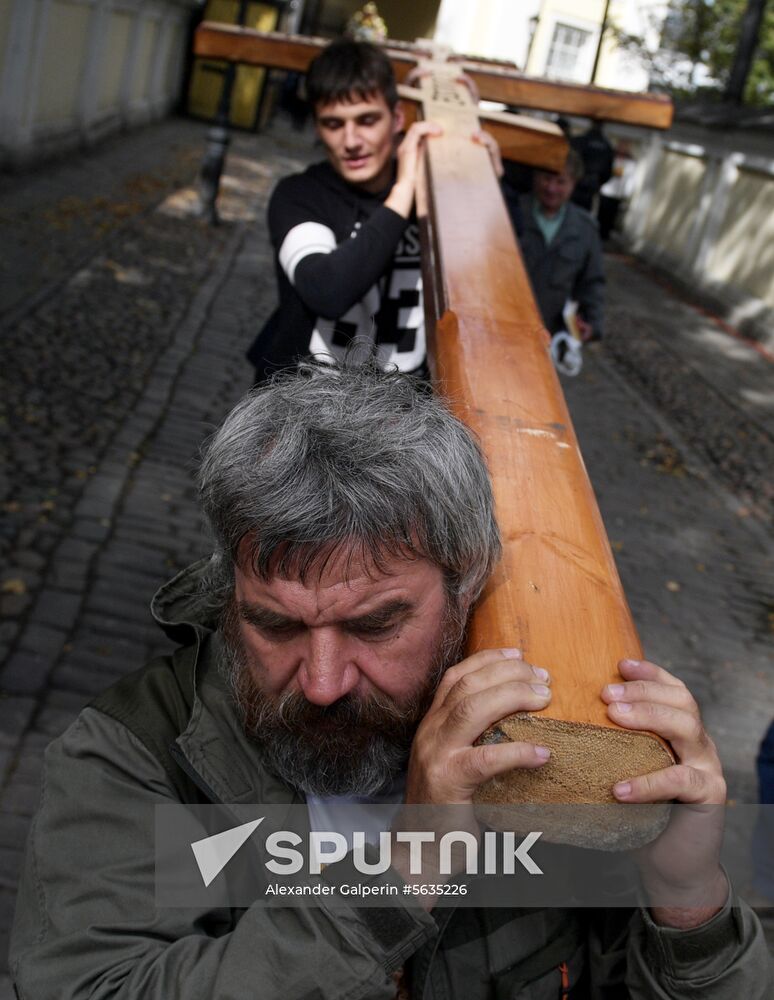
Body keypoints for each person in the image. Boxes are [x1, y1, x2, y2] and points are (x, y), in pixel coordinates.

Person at [10, 361, 771, 998]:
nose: (322, 681)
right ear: (231, 588)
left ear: (465, 586)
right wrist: (401, 874)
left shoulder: (552, 753)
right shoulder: (135, 754)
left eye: (375, 625)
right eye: (274, 624)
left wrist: (688, 897)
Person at [247, 39, 442, 383]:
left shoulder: (436, 196)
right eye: (334, 124)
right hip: (299, 404)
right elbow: (327, 290)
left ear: (397, 119)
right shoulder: (299, 194)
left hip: (401, 412)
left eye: (367, 120)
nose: (351, 141)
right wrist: (404, 190)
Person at [519, 150, 605, 342]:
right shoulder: (513, 212)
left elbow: (592, 282)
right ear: (536, 177)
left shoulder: (585, 229)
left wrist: (592, 324)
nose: (551, 188)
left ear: (573, 183)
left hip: (550, 335)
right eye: (546, 178)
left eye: (561, 182)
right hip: (505, 324)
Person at [570, 120, 614, 213]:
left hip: (574, 185)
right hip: (590, 188)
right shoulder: (607, 147)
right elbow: (608, 173)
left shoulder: (580, 140)